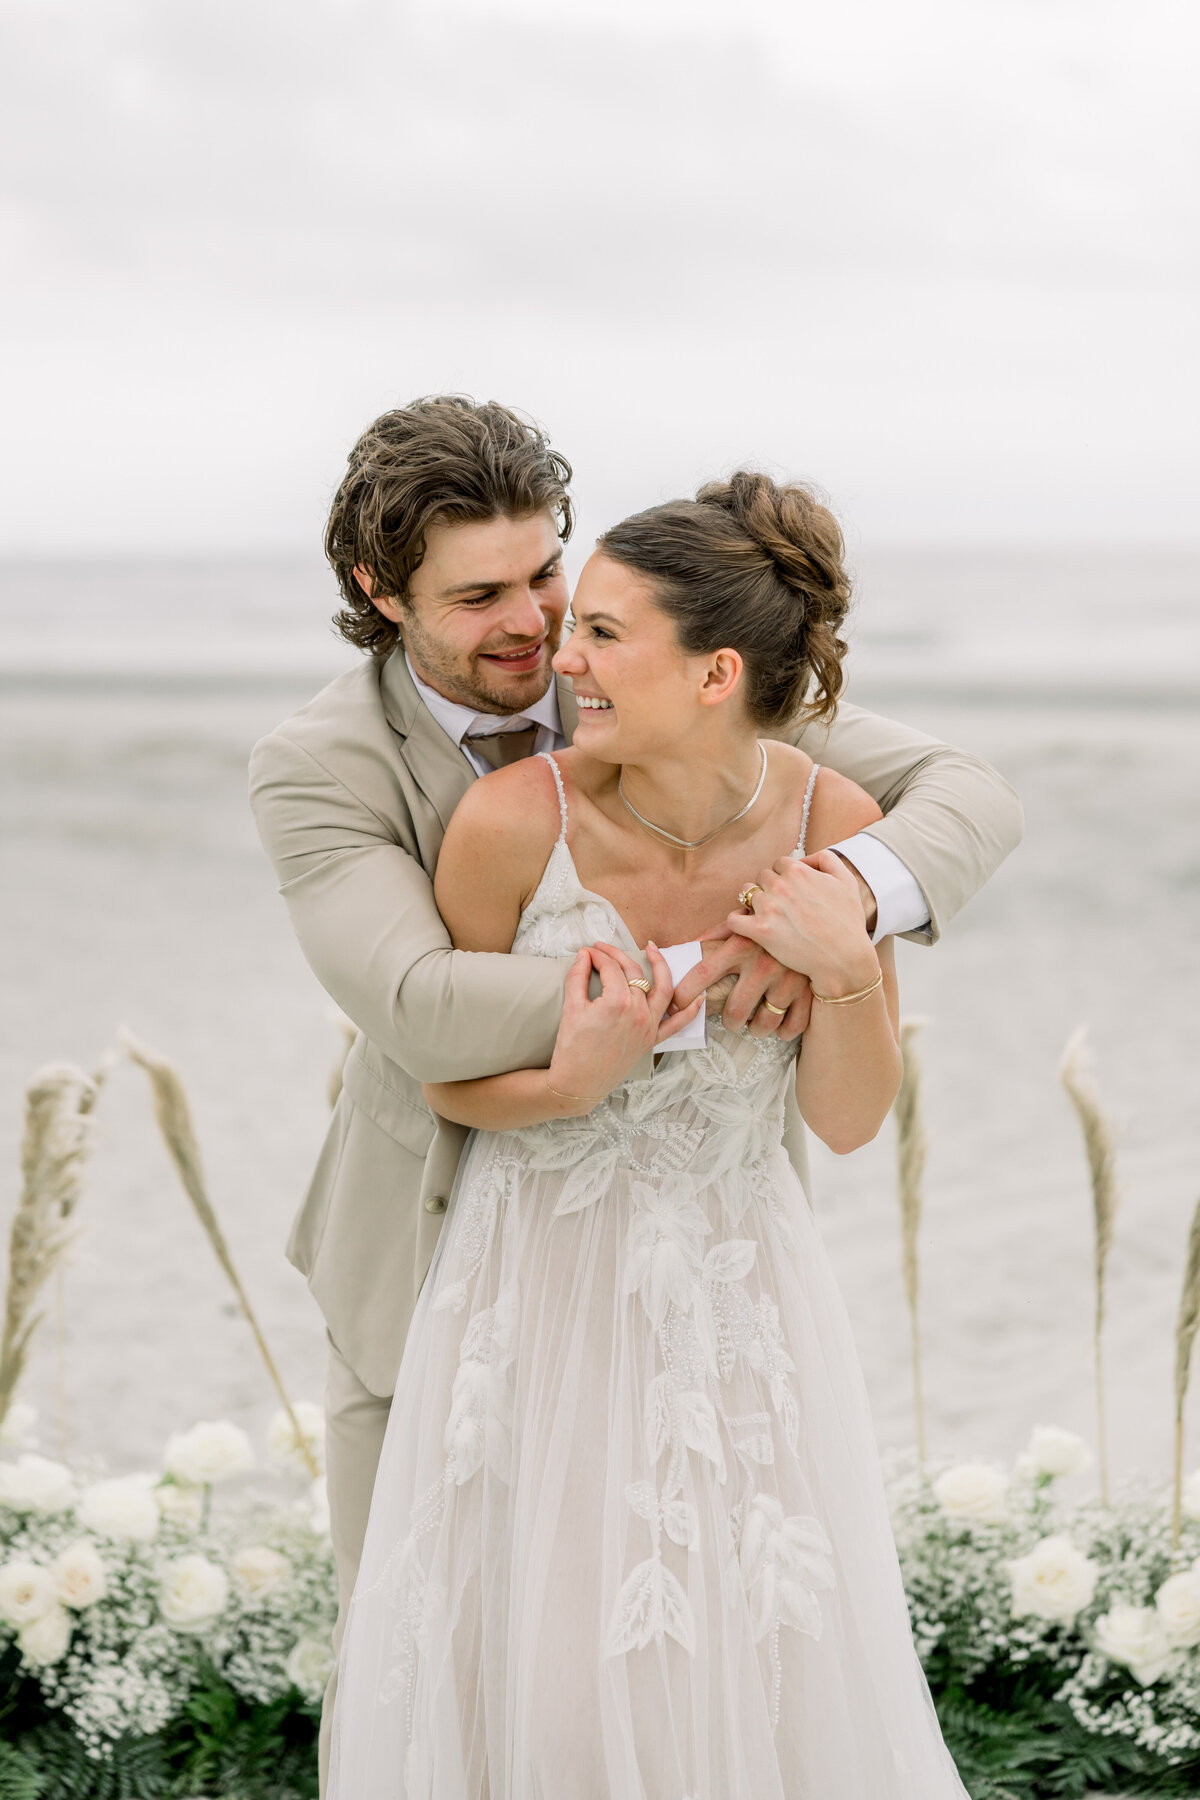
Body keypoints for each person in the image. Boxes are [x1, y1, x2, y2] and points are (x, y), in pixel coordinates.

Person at [248, 396, 1022, 1789]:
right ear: (381, 593)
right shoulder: (322, 765)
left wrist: (840, 910)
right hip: (445, 1272)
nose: (538, 629)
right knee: (452, 1684)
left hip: (716, 1281)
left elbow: (965, 795)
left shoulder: (653, 667)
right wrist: (717, 965)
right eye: (481, 595)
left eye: (547, 574)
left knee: (736, 1675)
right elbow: (422, 1010)